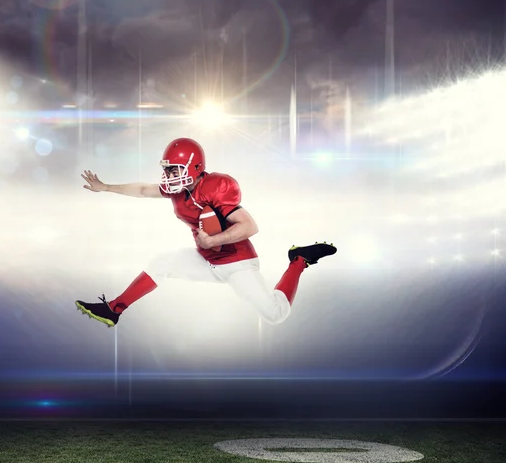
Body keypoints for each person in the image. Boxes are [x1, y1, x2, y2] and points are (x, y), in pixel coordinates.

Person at [75, 137, 336, 327]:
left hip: (237, 263)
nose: (168, 175)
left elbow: (249, 226)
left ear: (194, 167)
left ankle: (299, 260)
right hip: (206, 259)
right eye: (166, 169)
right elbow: (144, 190)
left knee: (276, 314)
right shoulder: (176, 189)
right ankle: (114, 309)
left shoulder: (216, 186)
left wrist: (213, 239)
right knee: (160, 263)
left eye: (173, 169)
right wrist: (106, 187)